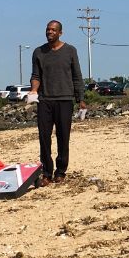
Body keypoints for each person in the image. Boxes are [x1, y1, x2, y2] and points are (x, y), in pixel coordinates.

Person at [29, 20, 86, 186]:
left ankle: (60, 171)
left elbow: (77, 76)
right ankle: (46, 173)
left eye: (53, 30)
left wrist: (80, 98)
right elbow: (36, 76)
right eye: (48, 29)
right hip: (45, 100)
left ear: (60, 33)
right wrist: (33, 90)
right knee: (44, 138)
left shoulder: (70, 51)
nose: (50, 32)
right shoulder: (38, 52)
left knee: (63, 137)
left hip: (65, 100)